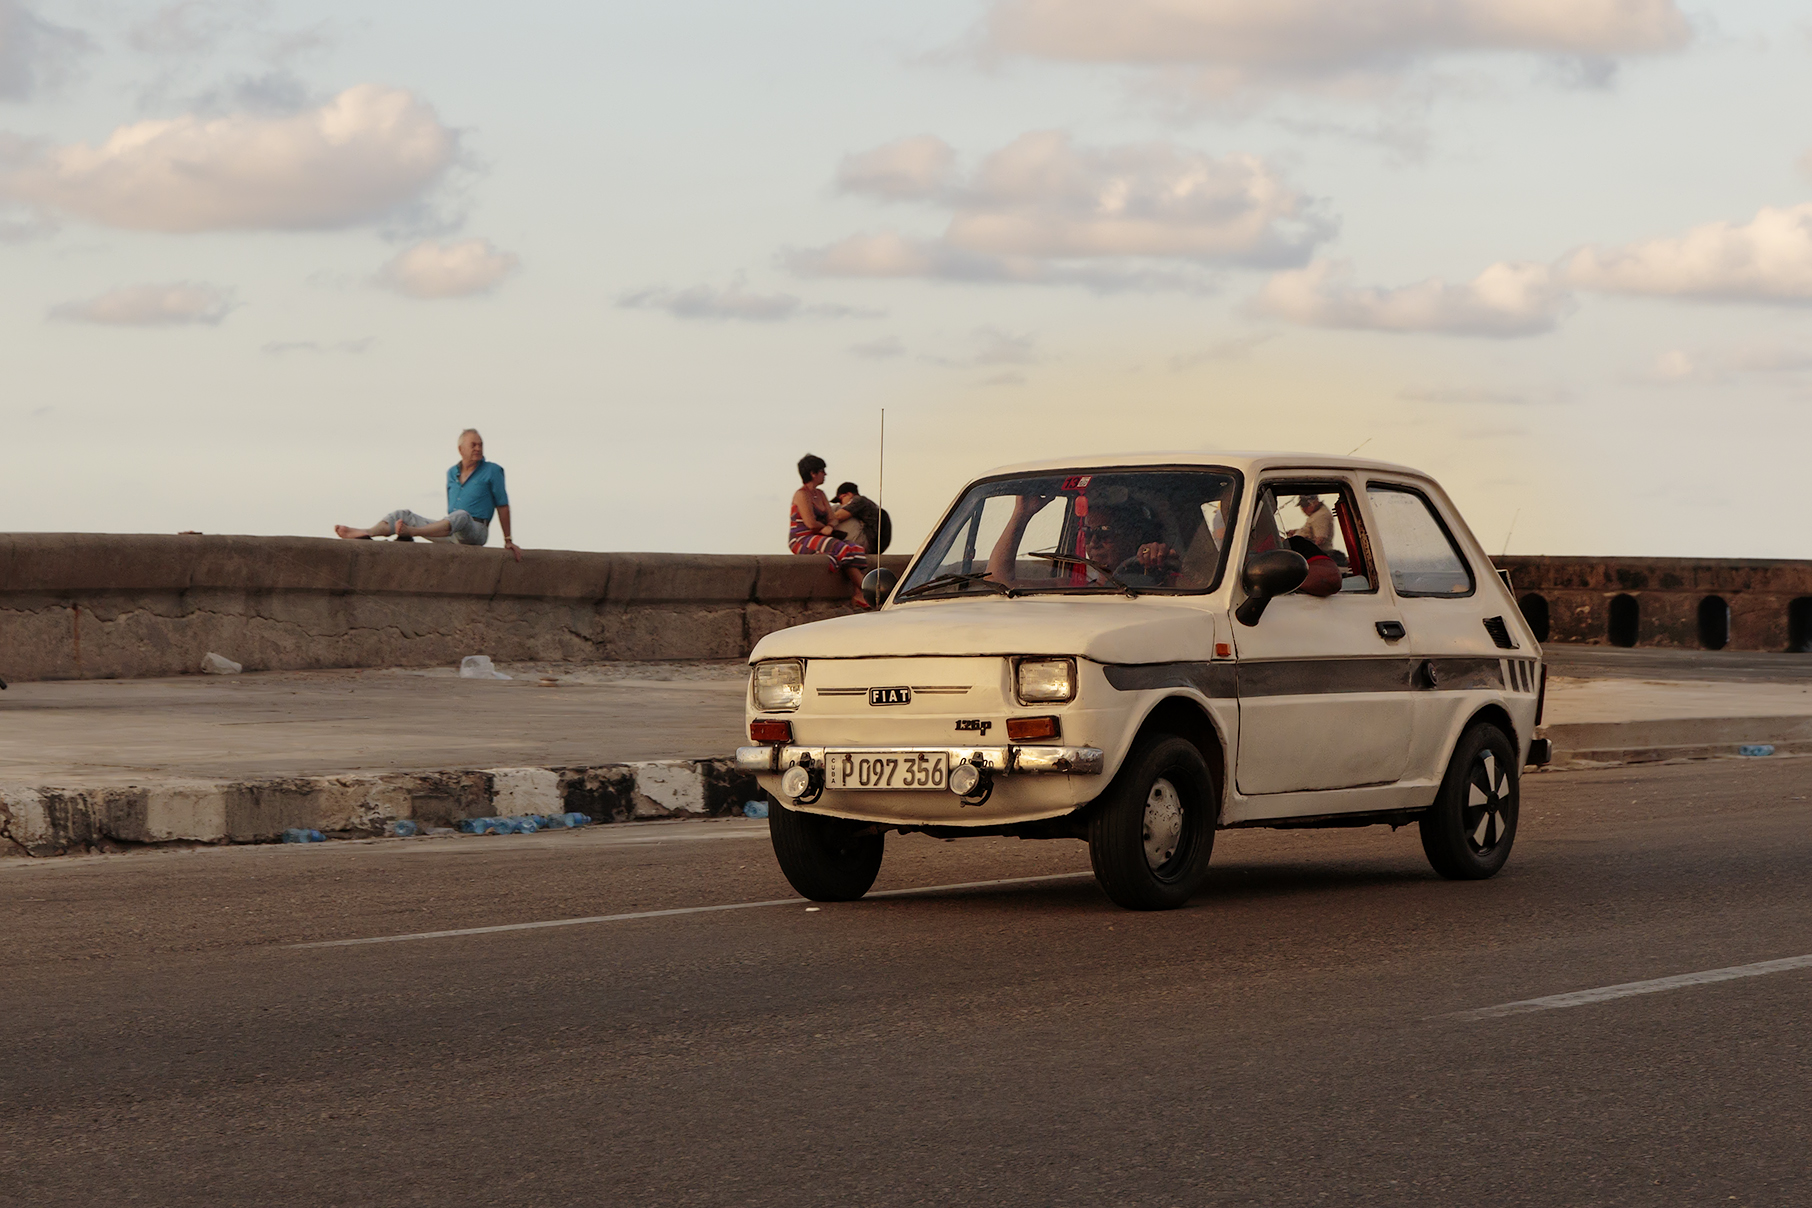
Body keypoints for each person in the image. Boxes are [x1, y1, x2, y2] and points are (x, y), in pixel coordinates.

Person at [335, 429, 521, 562]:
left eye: (480, 445)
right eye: (473, 445)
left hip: (475, 531)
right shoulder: (451, 473)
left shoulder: (492, 471)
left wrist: (508, 540)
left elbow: (502, 505)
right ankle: (367, 533)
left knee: (462, 515)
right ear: (460, 449)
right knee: (404, 515)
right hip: (450, 531)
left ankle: (411, 533)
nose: (478, 449)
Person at [789, 454, 868, 606]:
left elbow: (832, 518)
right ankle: (866, 590)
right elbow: (810, 523)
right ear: (813, 473)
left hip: (822, 536)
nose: (825, 474)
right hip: (801, 539)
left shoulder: (821, 494)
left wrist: (830, 526)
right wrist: (824, 527)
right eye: (822, 471)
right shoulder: (801, 494)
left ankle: (858, 593)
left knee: (856, 548)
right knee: (842, 548)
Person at [830, 482, 881, 554]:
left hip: (866, 542)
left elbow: (838, 516)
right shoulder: (867, 504)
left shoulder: (859, 500)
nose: (841, 503)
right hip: (870, 542)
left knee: (836, 510)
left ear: (849, 494)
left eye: (841, 500)